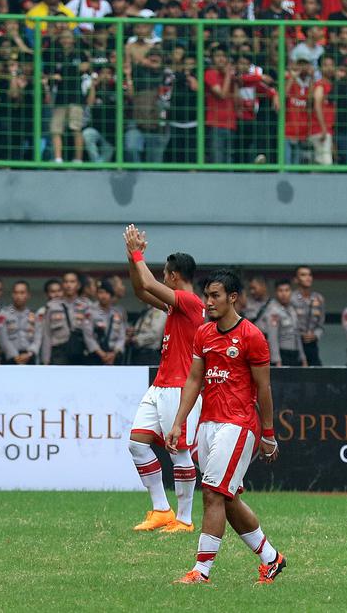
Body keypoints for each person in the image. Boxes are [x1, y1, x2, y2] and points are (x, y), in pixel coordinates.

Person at [166, 269, 286, 585]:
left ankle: (200, 572)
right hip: (208, 424)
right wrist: (179, 422)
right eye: (207, 295)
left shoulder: (252, 336)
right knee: (227, 499)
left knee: (213, 494)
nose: (209, 301)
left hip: (239, 424)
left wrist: (269, 434)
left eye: (215, 295)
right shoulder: (203, 334)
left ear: (232, 297)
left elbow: (264, 389)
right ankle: (272, 559)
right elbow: (194, 380)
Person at [124, 225, 205, 533]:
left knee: (180, 451)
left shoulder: (190, 302)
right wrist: (132, 258)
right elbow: (140, 289)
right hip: (161, 385)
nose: (160, 278)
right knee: (137, 444)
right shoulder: (177, 304)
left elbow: (146, 282)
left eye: (164, 274)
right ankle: (161, 509)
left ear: (173, 276)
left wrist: (136, 252)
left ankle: (184, 519)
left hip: (180, 387)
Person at [41, 270, 91, 365]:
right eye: (66, 282)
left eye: (72, 282)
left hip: (80, 352)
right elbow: (47, 335)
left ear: (78, 285)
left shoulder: (87, 305)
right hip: (59, 353)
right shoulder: (52, 306)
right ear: (62, 285)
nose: (69, 285)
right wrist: (45, 361)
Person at [262, 279, 306, 367]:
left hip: (295, 354)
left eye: (287, 290)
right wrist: (277, 361)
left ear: (291, 292)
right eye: (280, 291)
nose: (284, 294)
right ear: (276, 293)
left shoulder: (292, 309)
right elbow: (273, 338)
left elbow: (297, 335)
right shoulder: (273, 311)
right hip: (283, 354)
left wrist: (303, 357)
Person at [0, 281, 42, 365]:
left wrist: (30, 353)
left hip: (29, 356)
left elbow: (38, 337)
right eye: (16, 293)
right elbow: (3, 337)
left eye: (22, 293)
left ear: (28, 295)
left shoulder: (34, 314)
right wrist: (15, 356)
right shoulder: (4, 313)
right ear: (12, 295)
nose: (19, 296)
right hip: (9, 357)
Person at [83, 279, 126, 365]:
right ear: (97, 294)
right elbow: (88, 336)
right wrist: (101, 354)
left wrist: (113, 354)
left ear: (111, 295)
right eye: (100, 292)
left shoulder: (117, 313)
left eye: (106, 293)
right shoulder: (90, 312)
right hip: (95, 356)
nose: (103, 296)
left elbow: (122, 336)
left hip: (114, 356)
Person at [291, 266, 324, 366]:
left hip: (312, 344)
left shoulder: (318, 298)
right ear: (296, 280)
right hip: (296, 343)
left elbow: (321, 324)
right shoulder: (291, 298)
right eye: (303, 275)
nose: (308, 278)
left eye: (310, 275)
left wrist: (315, 335)